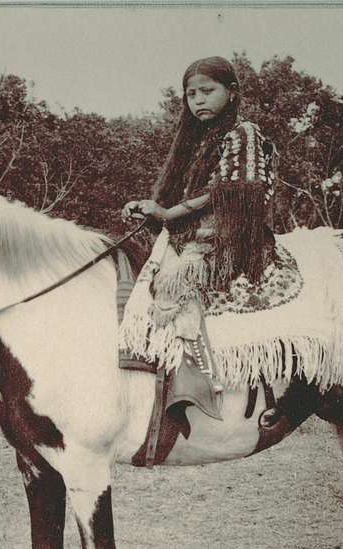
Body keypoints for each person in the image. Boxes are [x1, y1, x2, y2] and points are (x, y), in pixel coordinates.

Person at [119, 56, 277, 420]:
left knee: (177, 286)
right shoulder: (194, 139)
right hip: (189, 236)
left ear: (232, 92)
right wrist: (148, 208)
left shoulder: (243, 133)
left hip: (226, 238)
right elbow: (178, 194)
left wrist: (169, 214)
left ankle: (199, 385)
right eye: (191, 94)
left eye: (208, 91)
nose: (198, 100)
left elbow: (231, 190)